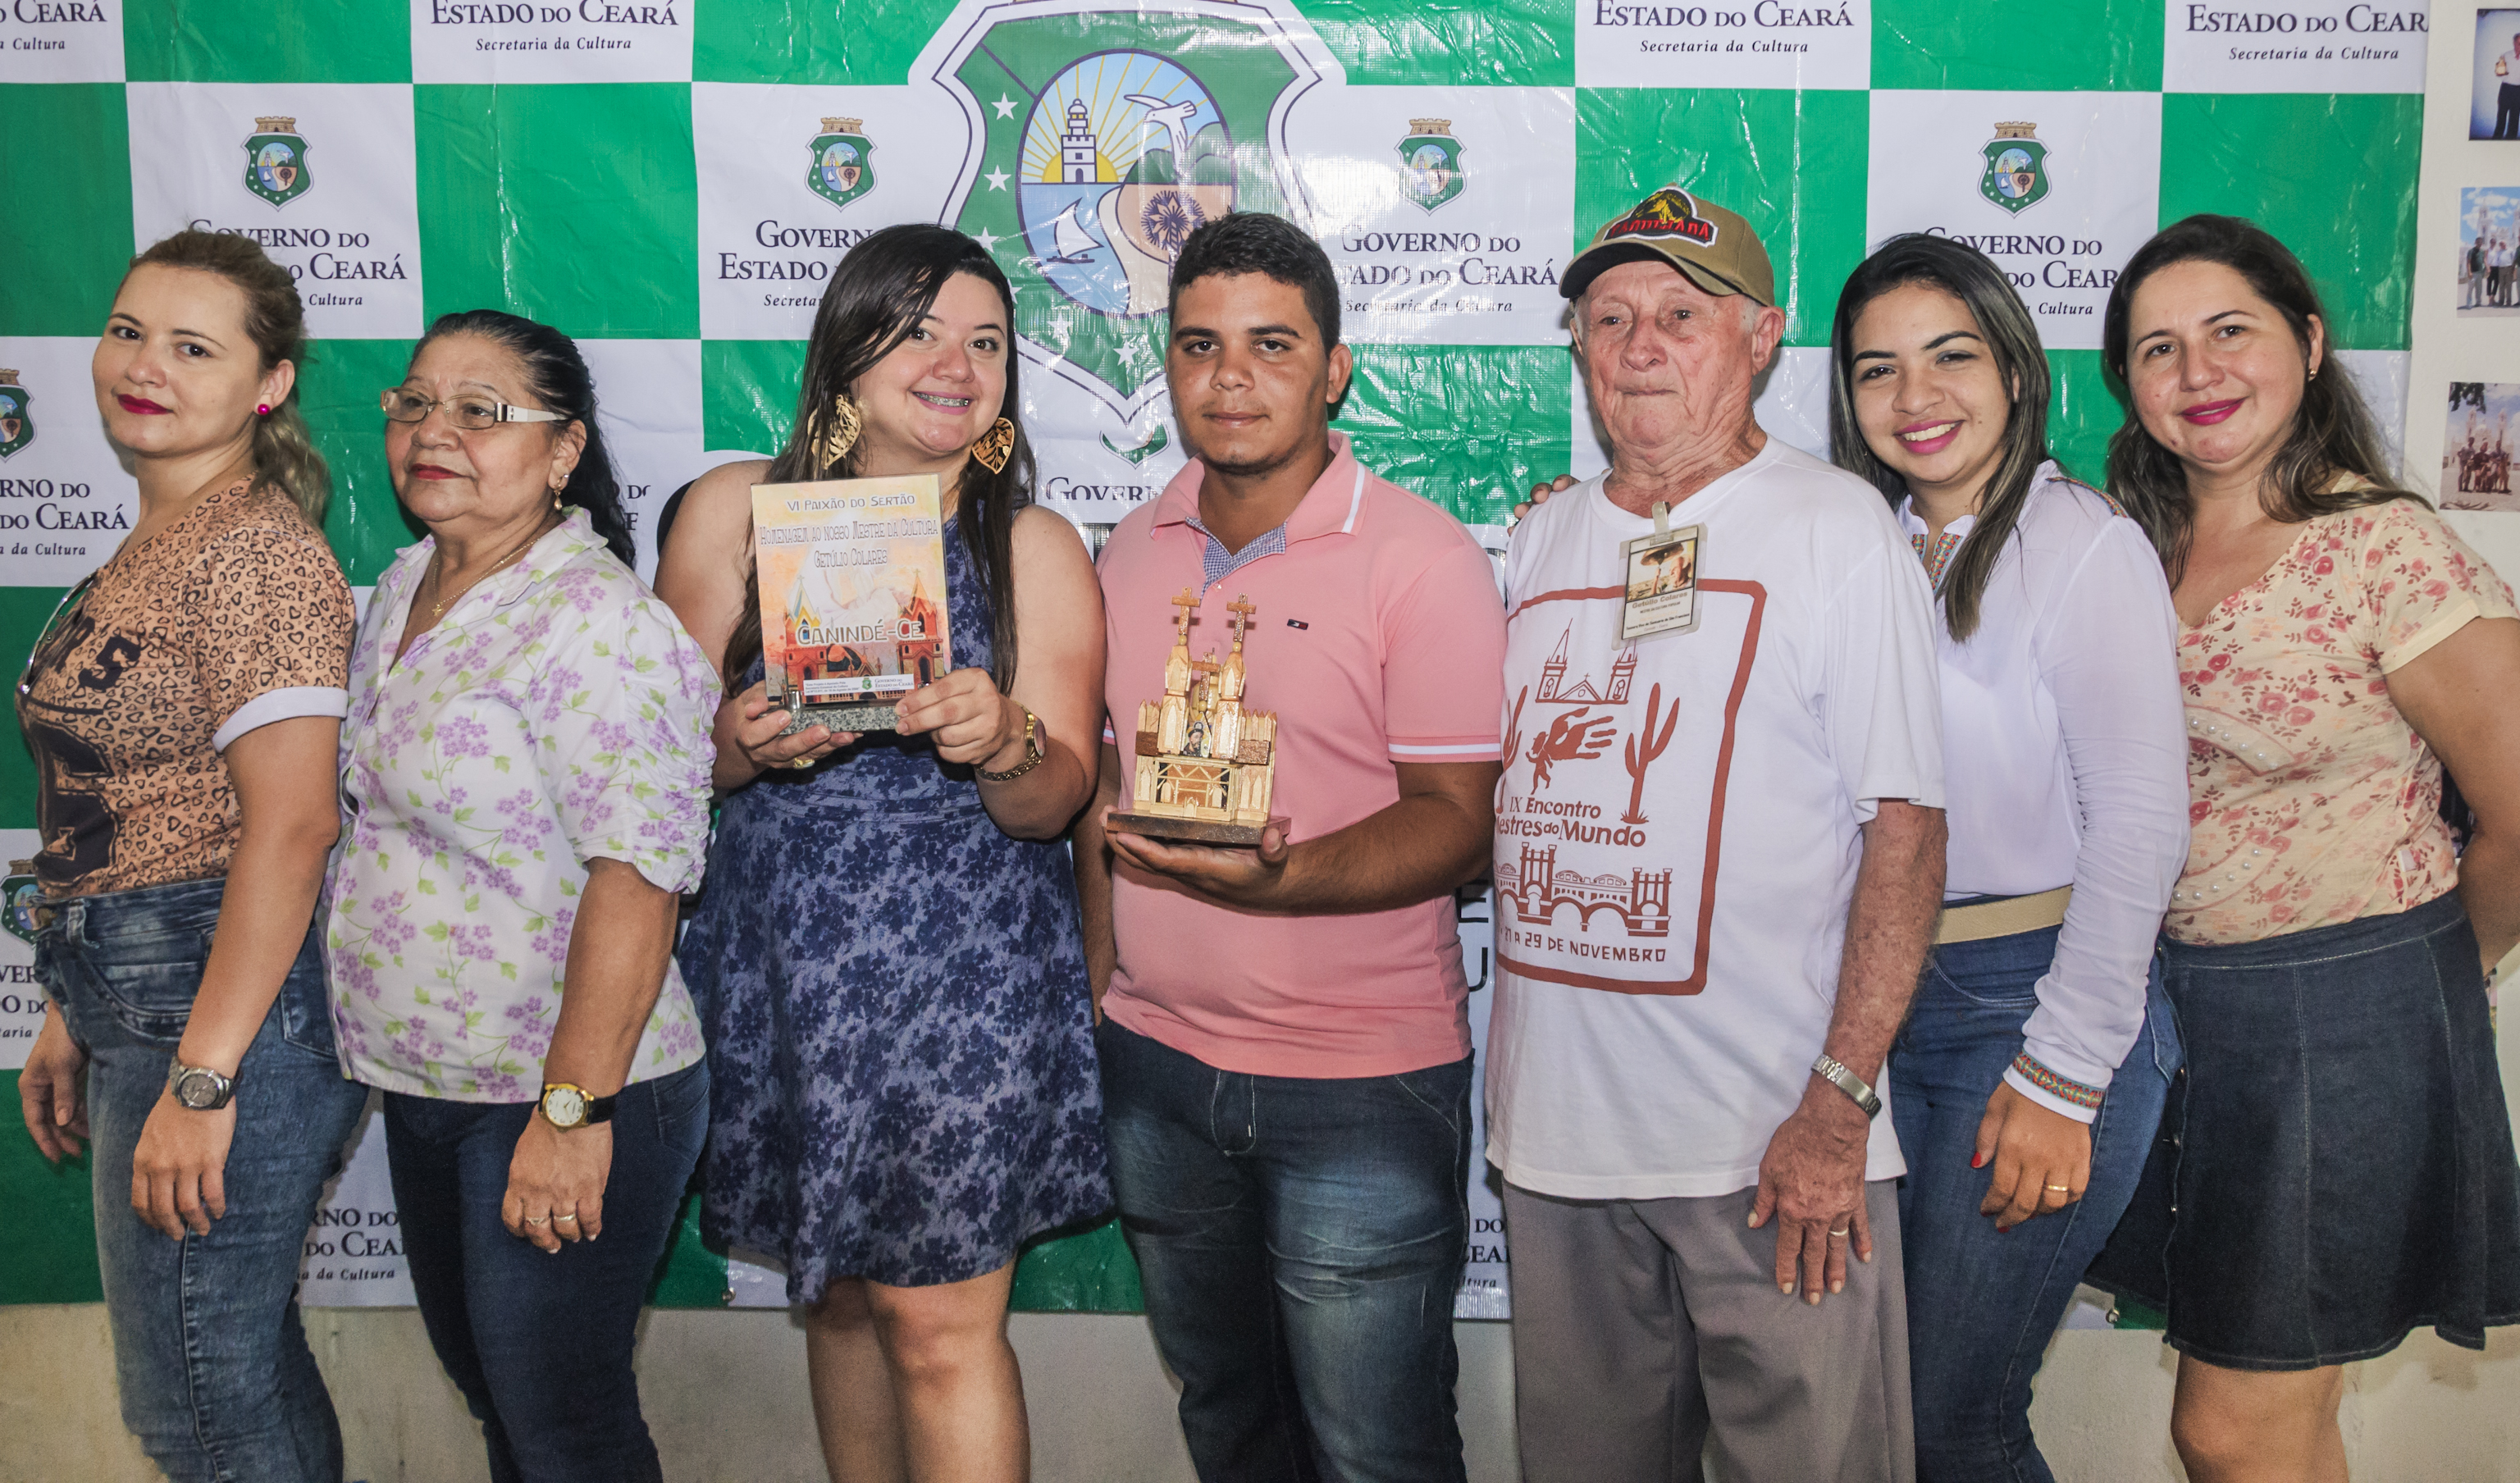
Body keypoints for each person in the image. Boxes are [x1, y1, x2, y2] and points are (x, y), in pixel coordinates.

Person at [1487, 189, 1946, 1483]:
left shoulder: (1837, 529)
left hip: (1771, 1147)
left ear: (1761, 336)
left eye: (1682, 316)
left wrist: (1840, 1103)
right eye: (1610, 318)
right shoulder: (1542, 538)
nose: (1639, 345)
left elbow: (1908, 834)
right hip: (1557, 1141)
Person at [659, 223, 1109, 1483]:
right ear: (847, 351)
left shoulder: (1033, 548)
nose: (957, 364)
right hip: (786, 973)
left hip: (963, 986)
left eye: (987, 342)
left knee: (938, 1328)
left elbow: (1054, 801)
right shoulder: (734, 513)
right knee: (844, 1301)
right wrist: (741, 740)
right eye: (919, 331)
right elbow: (655, 762)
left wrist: (1006, 739)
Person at [2085, 215, 2520, 1483]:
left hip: (2346, 1013)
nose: (2198, 371)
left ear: (2311, 343)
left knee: (2232, 1429)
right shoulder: (2123, 545)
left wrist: (2435, 977)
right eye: (2158, 349)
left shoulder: (2385, 548)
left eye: (2231, 331)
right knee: (2278, 1419)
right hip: (2177, 1014)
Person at [1074, 212, 1506, 1483]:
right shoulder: (1130, 546)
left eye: (1272, 344)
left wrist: (1284, 878)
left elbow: (1458, 823)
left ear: (1335, 370)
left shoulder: (1420, 555)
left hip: (1358, 1082)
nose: (1231, 377)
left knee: (1378, 1449)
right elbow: (1106, 785)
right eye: (1199, 345)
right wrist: (1105, 989)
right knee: (1228, 1418)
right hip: (1158, 1068)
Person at [324, 310, 720, 1482]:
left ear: (563, 451)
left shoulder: (599, 623)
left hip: (564, 1088)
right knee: (504, 1406)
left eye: (480, 412)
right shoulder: (406, 585)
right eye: (413, 403)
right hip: (430, 1080)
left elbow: (639, 880)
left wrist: (571, 1113)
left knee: (565, 1429)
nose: (433, 430)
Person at [1827, 233, 2189, 1482]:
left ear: (2019, 372)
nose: (1916, 397)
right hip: (1879, 1004)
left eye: (1952, 357)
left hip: (2028, 1002)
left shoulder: (2081, 541)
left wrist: (2066, 1075)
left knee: (1952, 1422)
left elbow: (2140, 823)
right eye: (1879, 369)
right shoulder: (1859, 545)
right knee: (1883, 1416)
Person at [14, 229, 365, 1481]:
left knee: (199, 1413)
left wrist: (204, 1080)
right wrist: (74, 1011)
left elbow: (294, 825)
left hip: (223, 1010)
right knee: (238, 1377)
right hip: (147, 991)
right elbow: (125, 802)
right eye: (127, 332)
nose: (144, 365)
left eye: (192, 347)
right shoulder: (163, 537)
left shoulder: (253, 552)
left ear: (269, 384)